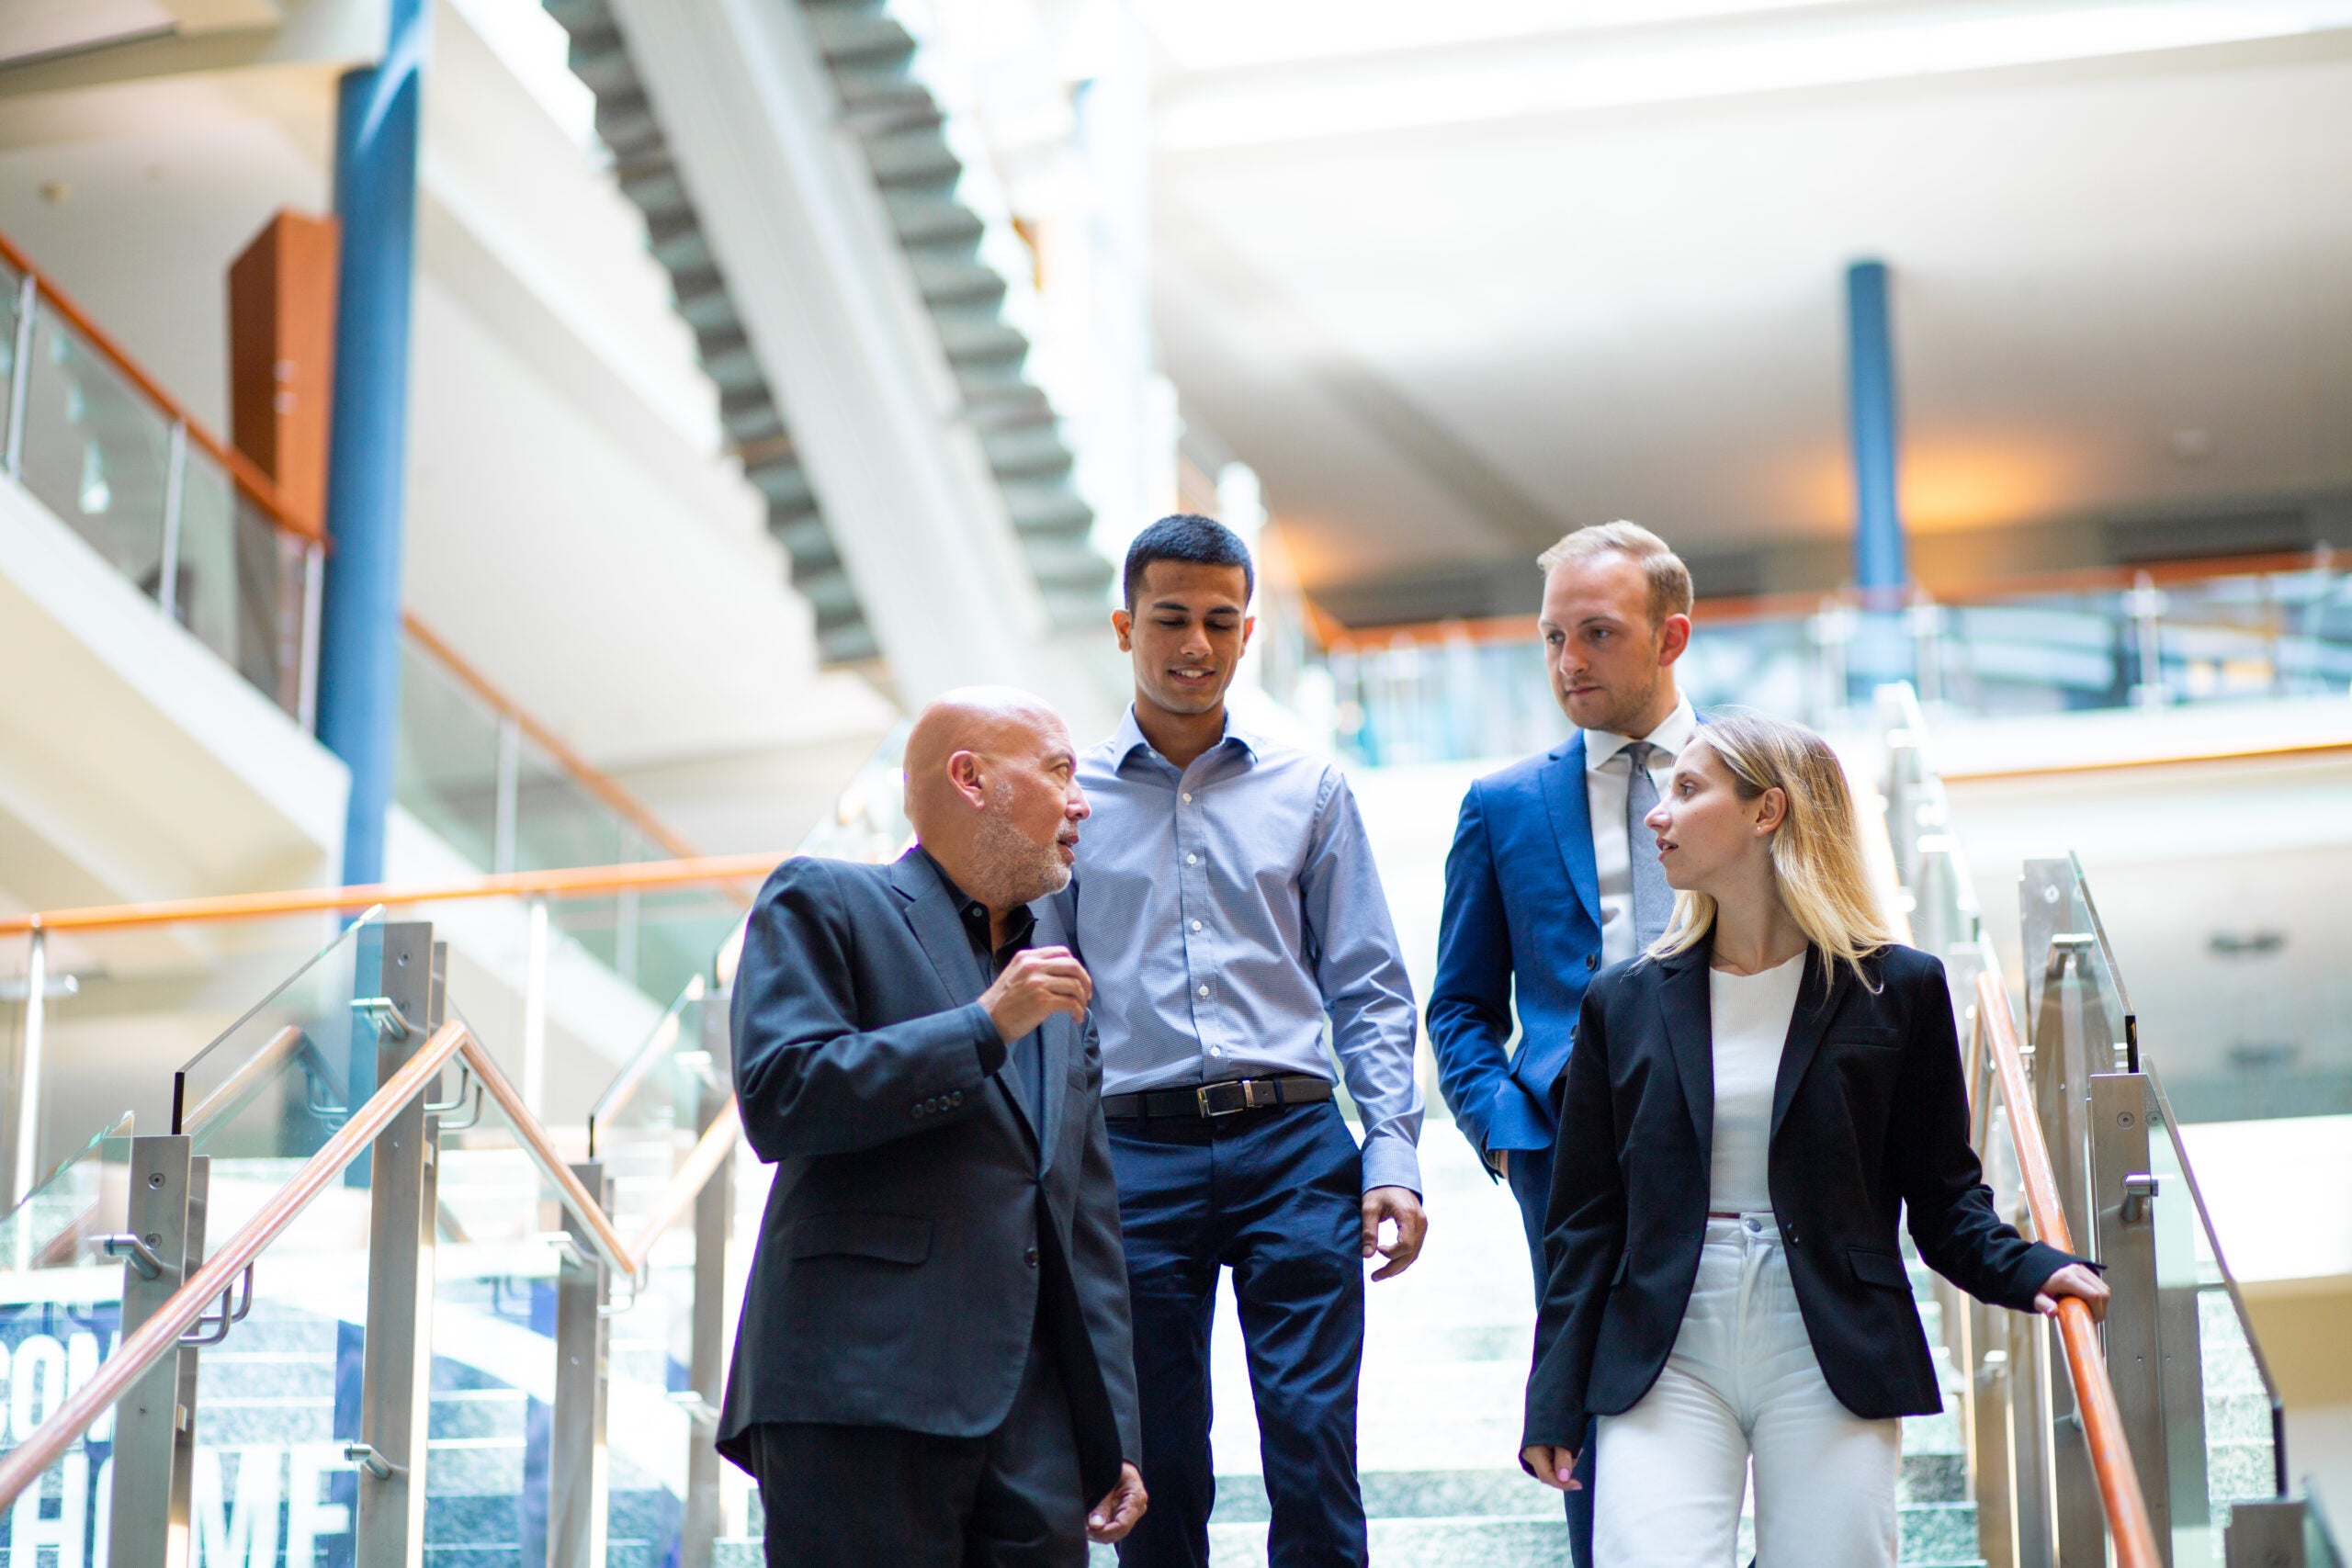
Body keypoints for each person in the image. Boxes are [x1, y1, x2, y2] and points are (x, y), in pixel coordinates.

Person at [1519, 713, 2109, 1566]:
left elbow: (1944, 1197)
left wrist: (2027, 1267)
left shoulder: (1898, 989)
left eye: (1688, 790)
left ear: (1768, 811)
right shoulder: (1624, 1000)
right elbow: (1583, 1224)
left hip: (1829, 1333)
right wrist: (1553, 1394)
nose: (1658, 813)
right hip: (1665, 1342)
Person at [716, 688, 1148, 1567]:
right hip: (856, 1395)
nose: (1082, 800)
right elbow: (780, 1093)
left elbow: (1086, 1225)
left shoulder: (1056, 995)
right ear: (971, 778)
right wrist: (983, 1027)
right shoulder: (826, 897)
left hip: (1033, 1427)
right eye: (1060, 770)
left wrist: (1116, 1429)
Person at [1069, 513, 1426, 1568]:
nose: (1195, 646)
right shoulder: (1070, 801)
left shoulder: (1308, 788)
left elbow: (1367, 985)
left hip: (1292, 1145)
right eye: (1170, 619)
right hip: (1131, 1155)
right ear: (1123, 624)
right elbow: (1043, 1006)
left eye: (1221, 623)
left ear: (1247, 630)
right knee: (1155, 1464)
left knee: (1314, 1448)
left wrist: (1393, 1156)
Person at [1427, 519, 1697, 1563]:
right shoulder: (1500, 805)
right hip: (1564, 1143)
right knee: (1584, 1393)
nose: (1567, 663)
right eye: (1551, 639)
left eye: (1596, 634)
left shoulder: (1759, 772)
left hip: (1731, 1126)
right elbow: (1457, 1004)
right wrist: (1505, 1132)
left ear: (1669, 637)